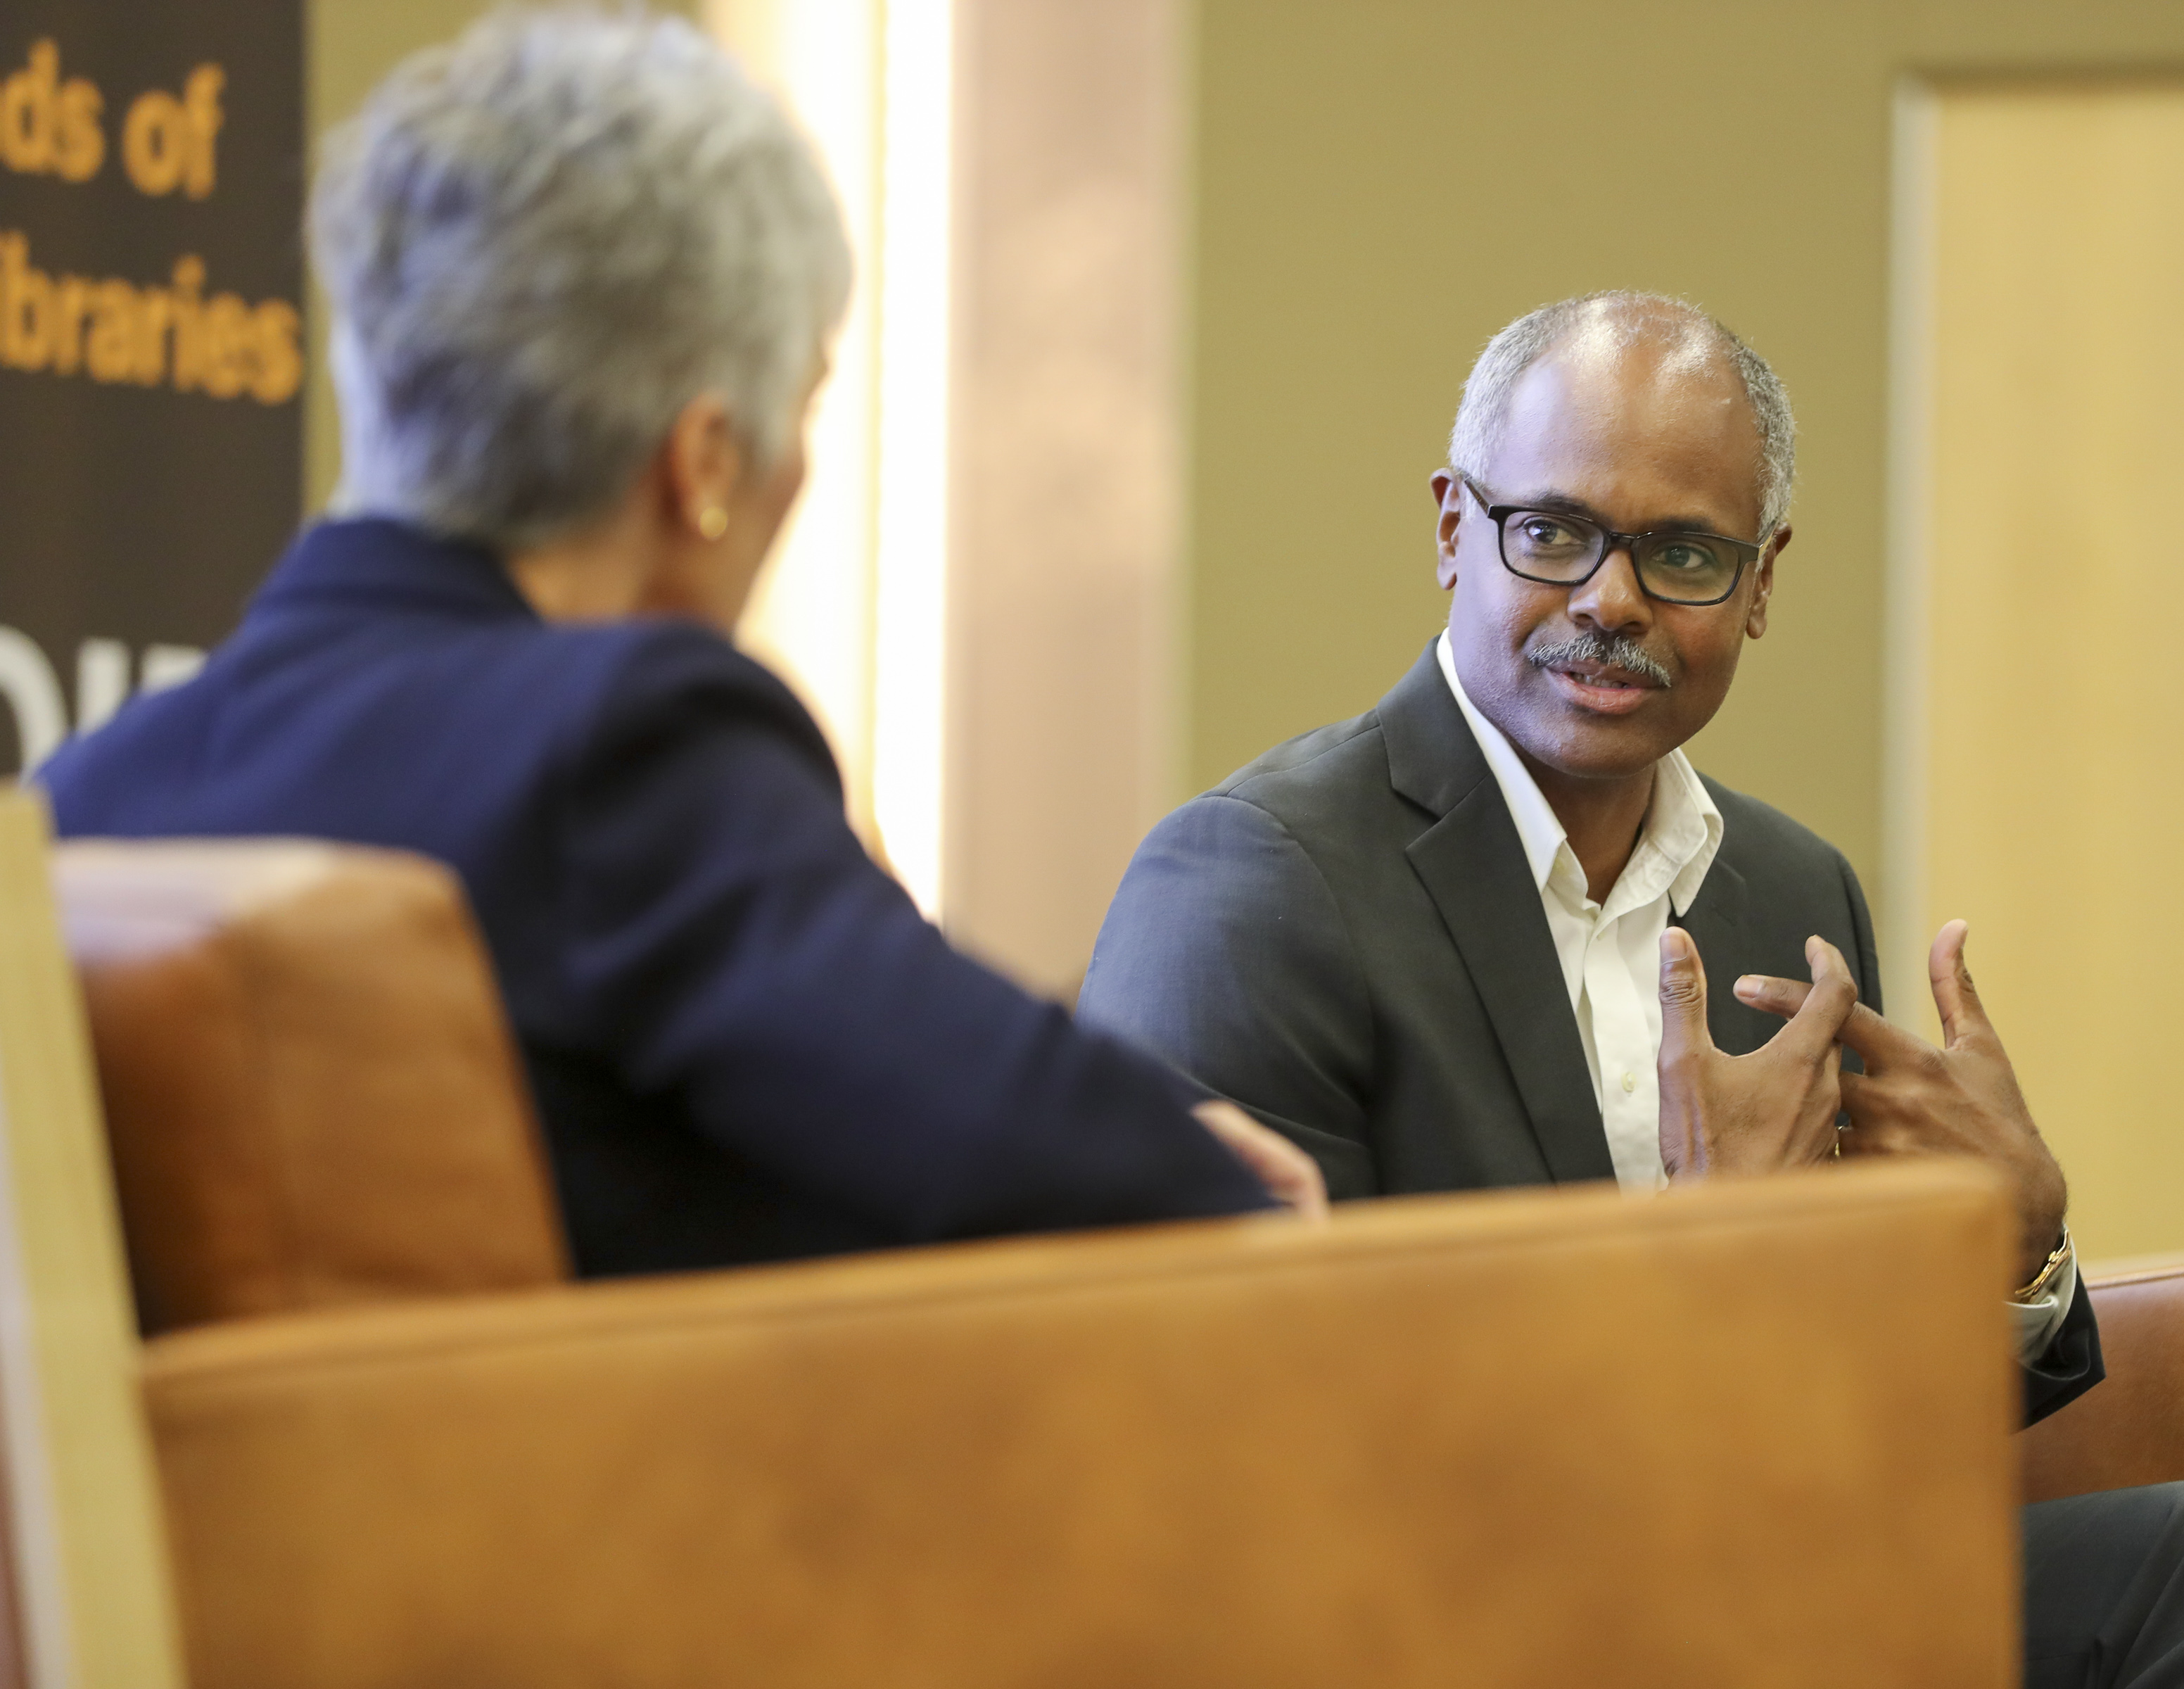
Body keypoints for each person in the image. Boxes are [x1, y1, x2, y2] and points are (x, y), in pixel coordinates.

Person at [1077, 291, 2184, 1686]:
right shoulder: (1259, 884)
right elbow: (1229, 1426)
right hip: (1450, 1616)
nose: (1610, 601)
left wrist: (2012, 1258)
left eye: (1682, 553)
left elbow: (1886, 1422)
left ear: (1760, 586)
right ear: (1455, 529)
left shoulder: (1789, 893)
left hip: (1768, 1590)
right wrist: (1702, 1278)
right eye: (1552, 532)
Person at [35, 10, 1322, 1278]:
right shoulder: (626, 740)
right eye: (809, 400)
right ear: (705, 462)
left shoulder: (76, 805)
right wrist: (1204, 1165)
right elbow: (1077, 1163)